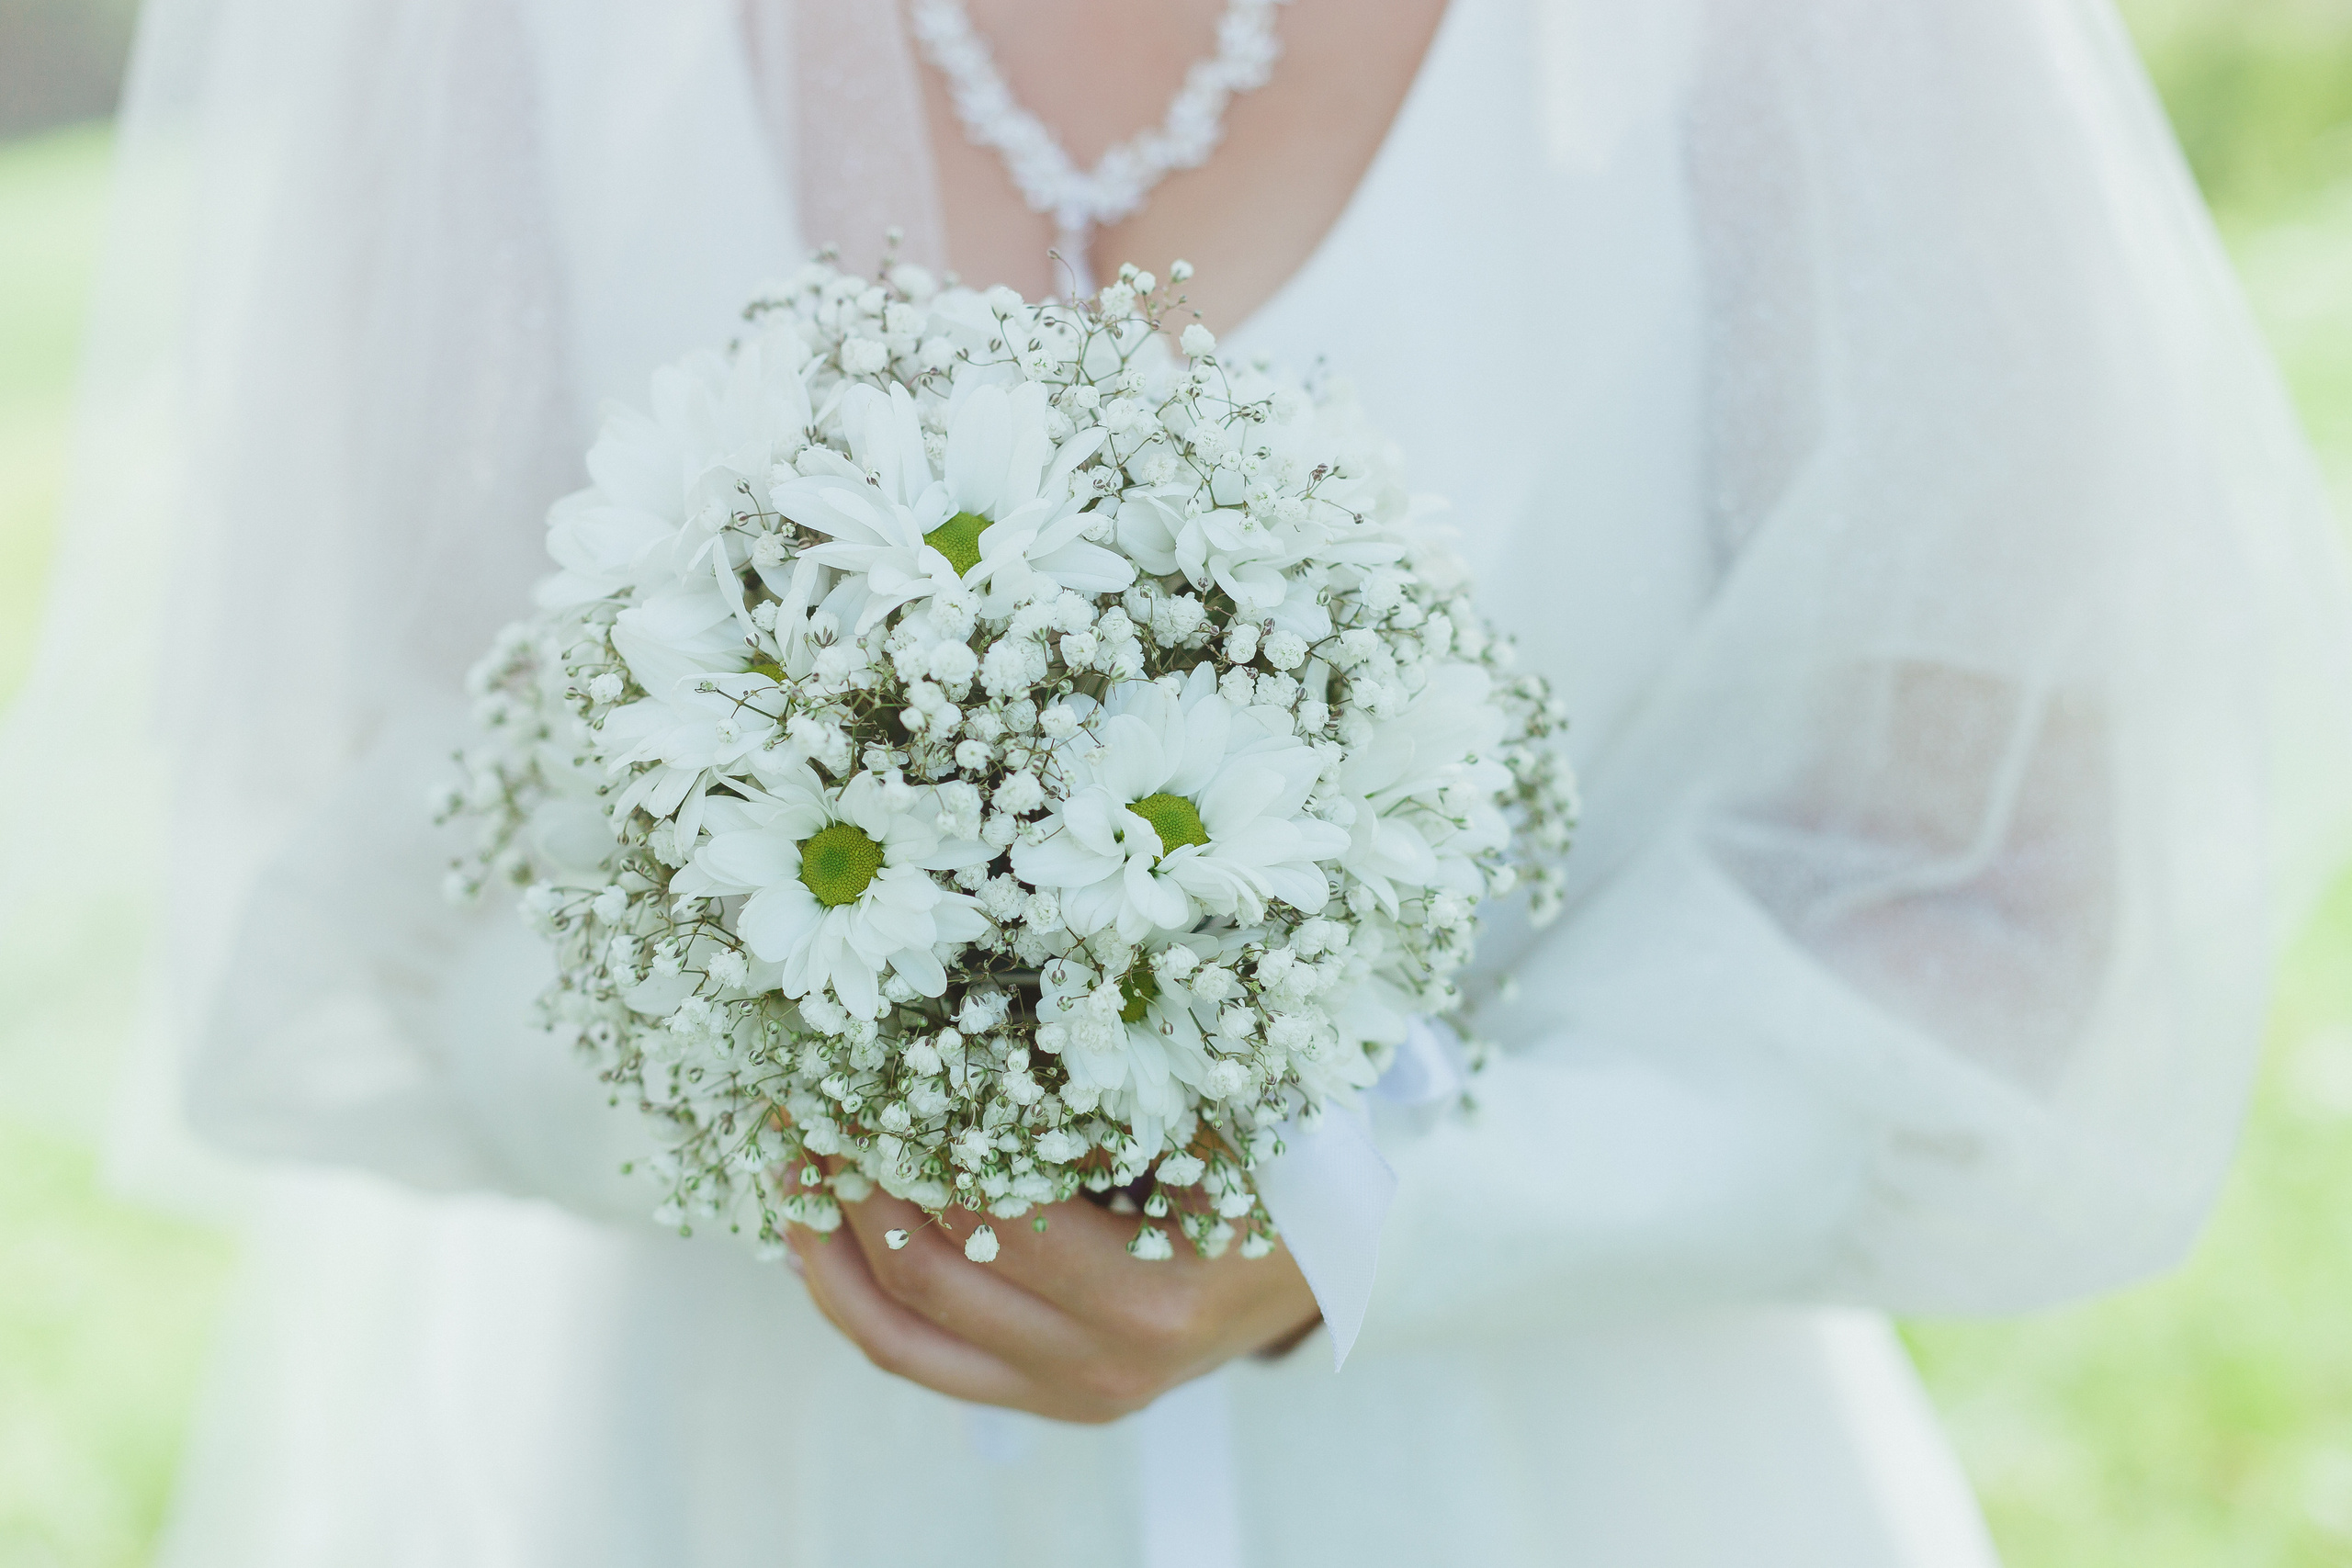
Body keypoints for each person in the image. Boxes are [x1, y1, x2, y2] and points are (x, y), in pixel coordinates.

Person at [8, 0, 2350, 1562]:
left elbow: (1993, 893)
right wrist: (831, 1097)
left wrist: (1374, 1200)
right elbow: (367, 812)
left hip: (1550, 1459)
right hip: (709, 1467)